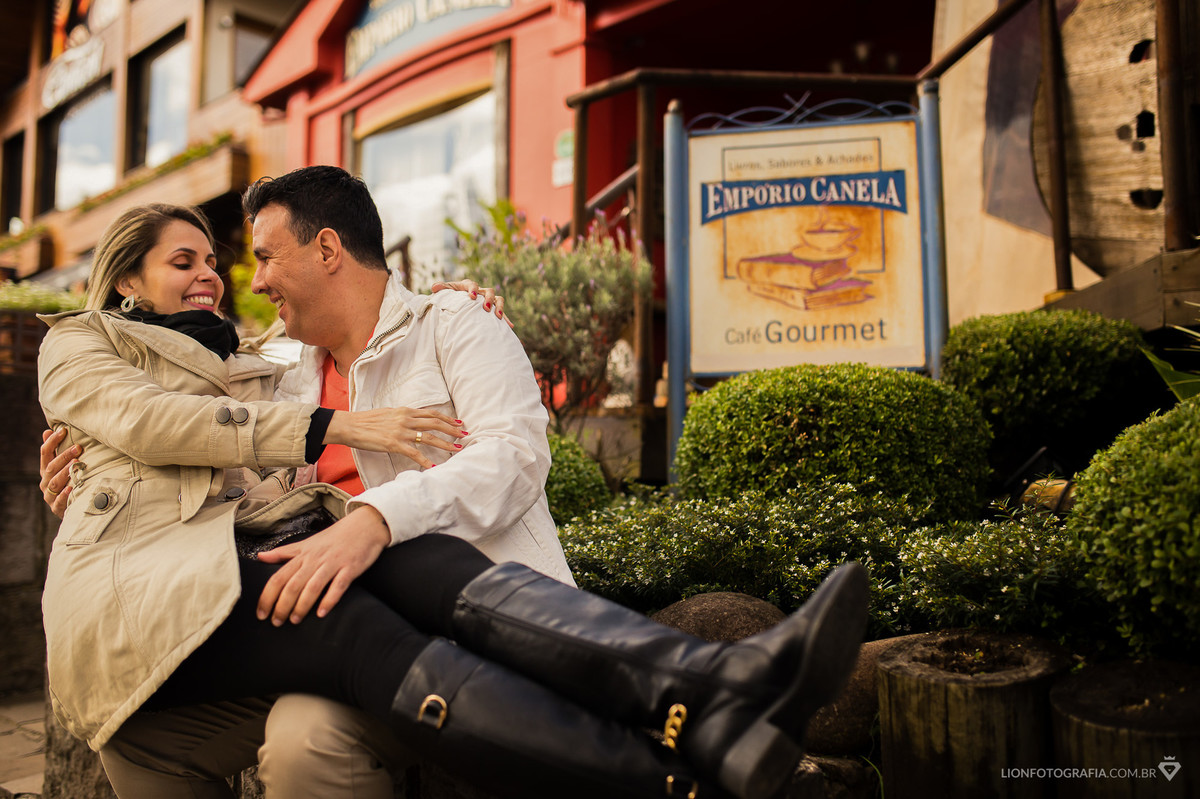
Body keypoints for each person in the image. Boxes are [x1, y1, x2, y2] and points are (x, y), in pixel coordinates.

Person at [39, 174, 869, 799]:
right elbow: (197, 465)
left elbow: (513, 458)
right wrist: (93, 475)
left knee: (405, 561)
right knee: (302, 738)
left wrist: (373, 519)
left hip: (484, 617)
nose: (250, 281)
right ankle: (696, 738)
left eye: (262, 257)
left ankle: (703, 705)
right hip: (340, 630)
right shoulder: (271, 374)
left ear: (327, 249)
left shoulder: (456, 324)